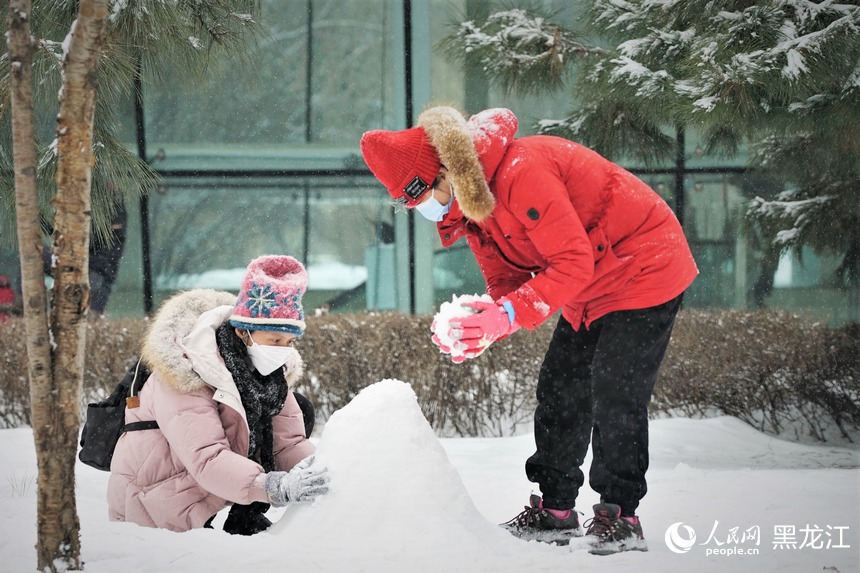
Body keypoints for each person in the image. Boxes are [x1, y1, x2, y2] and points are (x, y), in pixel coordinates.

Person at [360, 106, 697, 554]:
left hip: (644, 264)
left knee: (615, 389)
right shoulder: (471, 205)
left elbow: (571, 262)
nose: (419, 208)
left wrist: (507, 316)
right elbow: (509, 280)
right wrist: (485, 318)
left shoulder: (521, 172)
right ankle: (555, 511)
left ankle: (621, 514)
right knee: (560, 386)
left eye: (418, 195)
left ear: (443, 170)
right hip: (589, 278)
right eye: (406, 203)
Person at [107, 255, 330, 535]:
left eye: (290, 342)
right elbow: (207, 458)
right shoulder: (185, 373)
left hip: (211, 483)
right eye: (275, 340)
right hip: (157, 502)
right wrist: (273, 487)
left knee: (299, 409)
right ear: (243, 331)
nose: (283, 350)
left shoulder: (270, 374)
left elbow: (287, 446)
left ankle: (243, 516)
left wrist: (329, 468)